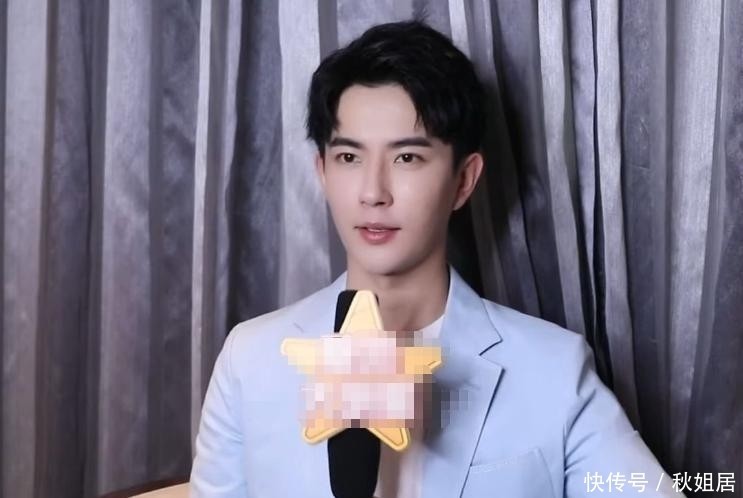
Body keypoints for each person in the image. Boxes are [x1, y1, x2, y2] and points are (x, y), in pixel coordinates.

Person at [190, 20, 681, 498]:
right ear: (322, 171)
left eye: (407, 158)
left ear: (463, 181)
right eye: (349, 157)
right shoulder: (250, 360)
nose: (373, 192)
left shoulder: (552, 369)